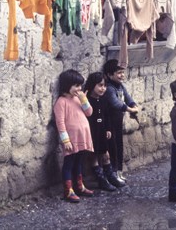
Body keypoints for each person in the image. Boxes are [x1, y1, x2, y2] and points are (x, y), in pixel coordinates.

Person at [53, 69, 95, 203]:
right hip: (71, 140)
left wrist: (84, 99)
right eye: (76, 86)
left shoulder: (78, 99)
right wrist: (65, 140)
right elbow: (60, 122)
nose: (79, 88)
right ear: (67, 85)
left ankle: (79, 186)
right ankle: (68, 190)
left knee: (79, 162)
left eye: (80, 86)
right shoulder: (61, 102)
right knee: (69, 163)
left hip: (82, 137)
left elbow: (89, 113)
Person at [84, 72, 125, 191]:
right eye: (100, 85)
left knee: (105, 155)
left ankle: (110, 176)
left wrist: (108, 128)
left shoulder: (103, 99)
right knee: (94, 156)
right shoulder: (88, 101)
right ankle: (101, 179)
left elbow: (107, 115)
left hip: (101, 131)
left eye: (105, 86)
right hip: (92, 132)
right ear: (92, 85)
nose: (103, 88)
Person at [103, 59, 139, 182]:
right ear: (109, 74)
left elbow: (127, 97)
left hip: (118, 122)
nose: (122, 75)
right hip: (109, 123)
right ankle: (112, 173)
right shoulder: (109, 88)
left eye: (123, 72)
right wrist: (130, 110)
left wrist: (134, 105)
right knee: (111, 147)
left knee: (119, 146)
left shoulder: (120, 86)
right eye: (118, 73)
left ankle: (119, 171)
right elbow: (116, 103)